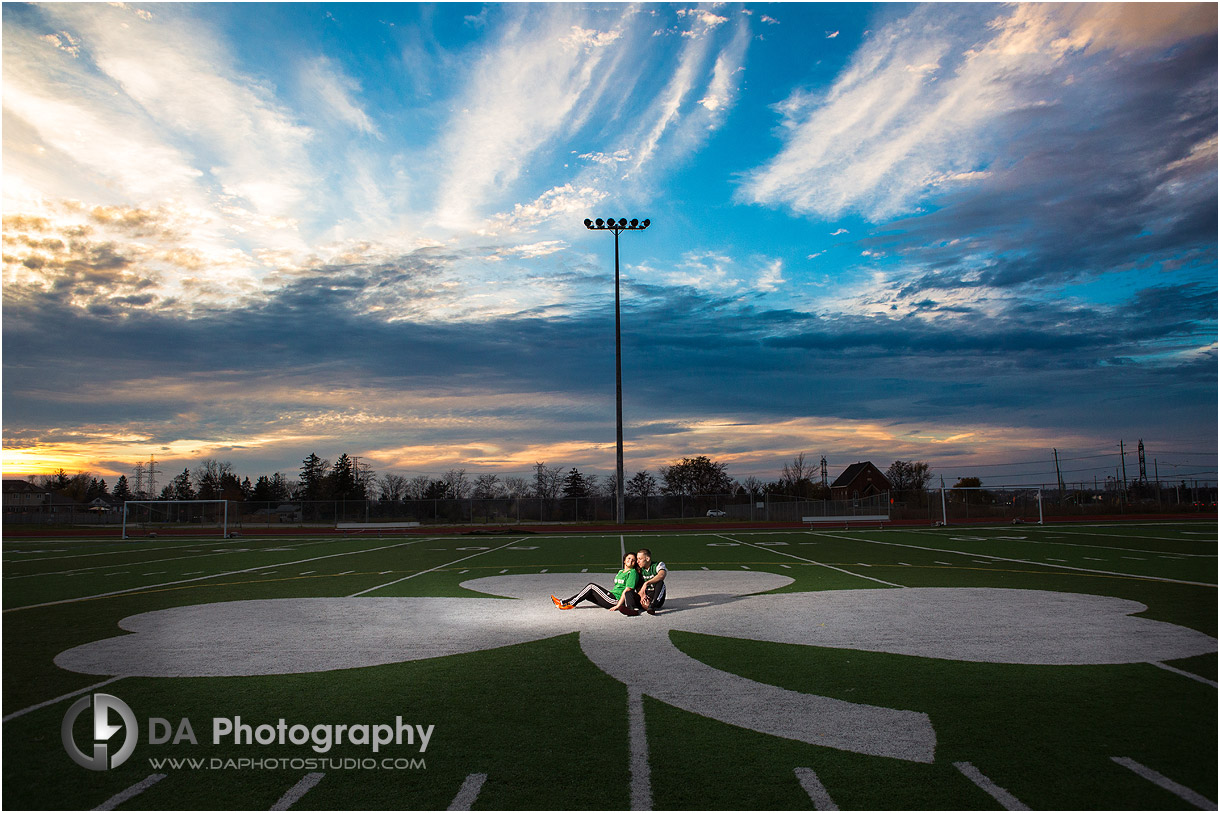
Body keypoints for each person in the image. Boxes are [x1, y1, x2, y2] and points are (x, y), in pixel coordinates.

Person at [552, 553, 643, 615]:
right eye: (629, 558)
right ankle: (563, 602)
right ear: (624, 560)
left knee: (591, 586)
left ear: (635, 563)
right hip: (611, 596)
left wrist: (618, 605)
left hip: (615, 599)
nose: (630, 561)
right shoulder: (621, 572)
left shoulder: (632, 573)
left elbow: (628, 590)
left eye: (633, 560)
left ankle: (569, 604)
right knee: (588, 593)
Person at [636, 548, 667, 613]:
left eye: (640, 559)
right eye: (637, 559)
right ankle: (632, 607)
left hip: (656, 595)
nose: (637, 561)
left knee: (660, 582)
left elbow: (662, 575)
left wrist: (647, 583)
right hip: (646, 594)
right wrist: (642, 595)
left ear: (647, 559)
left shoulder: (657, 565)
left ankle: (652, 605)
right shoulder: (639, 569)